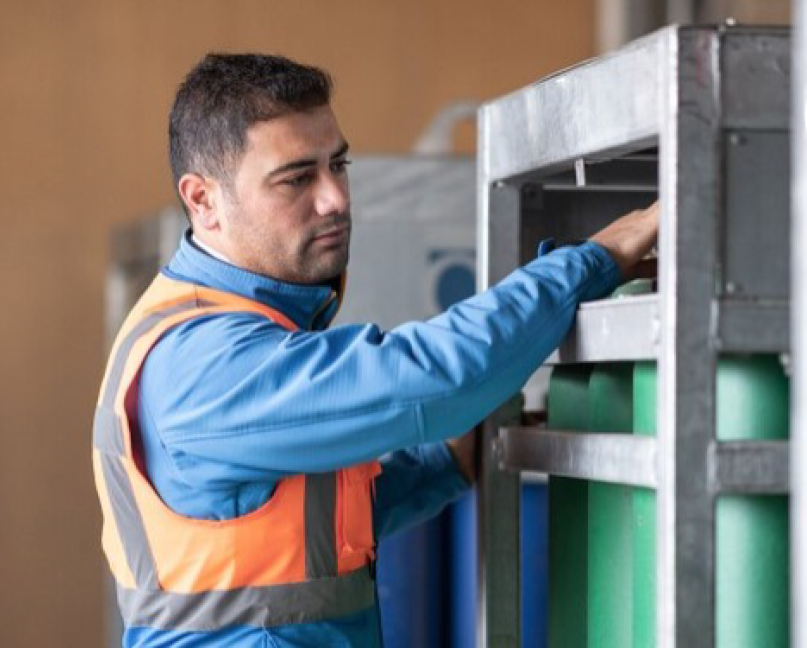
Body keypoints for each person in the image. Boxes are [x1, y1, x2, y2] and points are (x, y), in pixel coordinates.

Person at [92, 53, 658, 647]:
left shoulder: (242, 325)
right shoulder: (201, 360)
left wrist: (449, 461)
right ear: (203, 200)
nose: (335, 197)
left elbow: (307, 529)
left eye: (338, 164)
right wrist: (592, 260)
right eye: (297, 177)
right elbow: (432, 380)